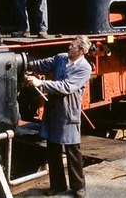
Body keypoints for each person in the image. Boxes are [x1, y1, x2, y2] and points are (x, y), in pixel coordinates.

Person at [25, 35, 93, 198]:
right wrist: (22, 60)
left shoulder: (85, 68)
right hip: (54, 108)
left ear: (81, 51)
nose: (69, 47)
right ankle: (58, 186)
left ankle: (78, 187)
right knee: (53, 148)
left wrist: (41, 83)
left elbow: (67, 86)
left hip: (69, 110)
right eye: (70, 45)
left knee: (72, 150)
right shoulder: (61, 58)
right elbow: (42, 64)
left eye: (73, 46)